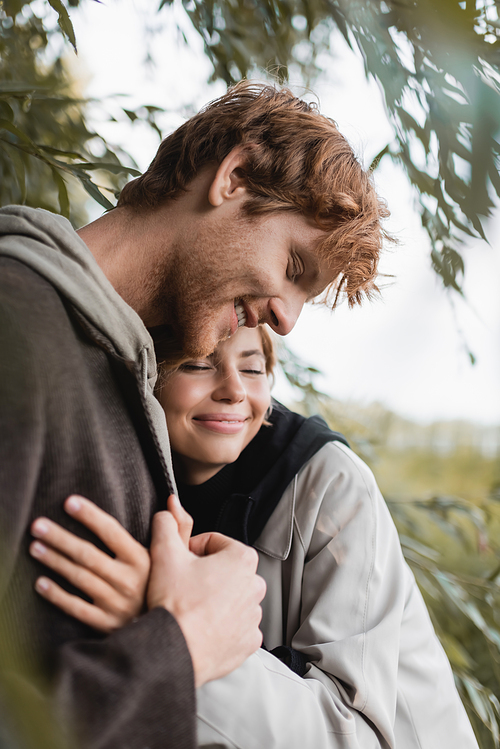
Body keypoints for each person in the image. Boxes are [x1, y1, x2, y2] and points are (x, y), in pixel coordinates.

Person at [0, 81, 388, 748]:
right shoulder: (18, 329)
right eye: (293, 265)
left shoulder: (117, 383)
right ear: (233, 178)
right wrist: (185, 645)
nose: (287, 320)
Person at [31, 326, 479, 748]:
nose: (234, 389)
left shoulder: (333, 487)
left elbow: (352, 735)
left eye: (252, 368)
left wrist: (166, 632)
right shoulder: (130, 478)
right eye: (199, 364)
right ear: (148, 373)